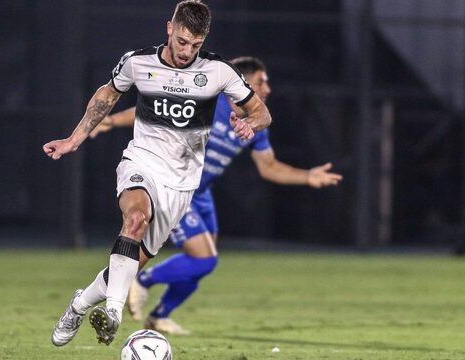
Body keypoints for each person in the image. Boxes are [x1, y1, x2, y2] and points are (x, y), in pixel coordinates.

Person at [43, 2, 271, 347]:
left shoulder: (218, 71)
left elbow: (261, 112)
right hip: (141, 163)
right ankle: (115, 314)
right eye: (182, 41)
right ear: (170, 28)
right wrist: (74, 139)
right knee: (135, 219)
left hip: (181, 185)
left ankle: (78, 304)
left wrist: (249, 123)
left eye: (195, 45)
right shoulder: (138, 62)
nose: (187, 51)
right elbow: (107, 95)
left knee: (130, 264)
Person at [91, 56, 342, 335]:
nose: (268, 89)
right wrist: (111, 121)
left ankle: (160, 316)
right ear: (244, 83)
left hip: (204, 193)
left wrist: (309, 176)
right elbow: (152, 112)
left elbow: (269, 167)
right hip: (178, 186)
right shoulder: (210, 101)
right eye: (261, 82)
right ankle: (143, 280)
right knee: (204, 259)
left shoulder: (255, 122)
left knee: (203, 265)